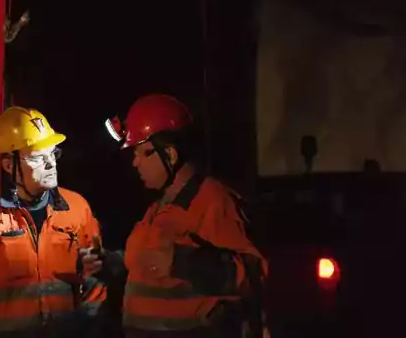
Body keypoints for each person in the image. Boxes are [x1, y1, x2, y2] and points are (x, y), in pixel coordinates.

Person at [84, 93, 268, 337]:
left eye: (143, 153)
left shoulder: (212, 200)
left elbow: (255, 273)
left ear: (170, 154)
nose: (134, 163)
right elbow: (145, 264)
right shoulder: (158, 206)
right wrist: (107, 262)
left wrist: (184, 262)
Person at [0, 106, 107, 337]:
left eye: (53, 154)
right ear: (9, 165)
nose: (51, 164)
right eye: (39, 158)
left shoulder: (77, 209)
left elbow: (95, 284)